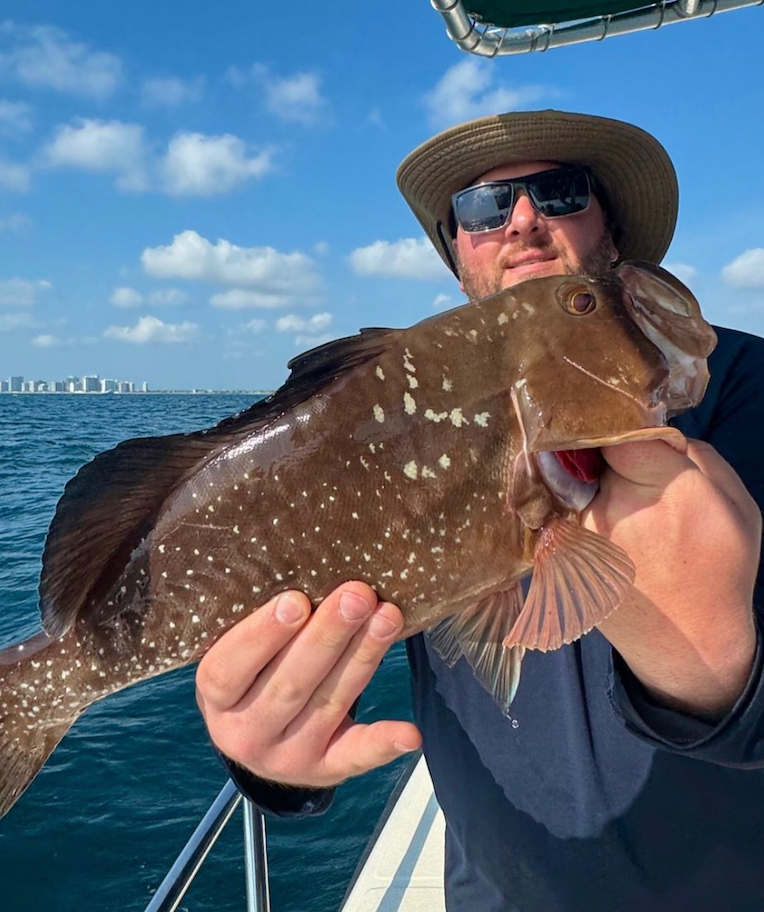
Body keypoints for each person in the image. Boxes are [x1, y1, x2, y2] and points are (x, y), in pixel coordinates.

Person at [195, 110, 764, 910]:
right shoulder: (379, 414)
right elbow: (312, 678)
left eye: (559, 193)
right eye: (482, 209)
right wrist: (269, 761)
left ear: (613, 225)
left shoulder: (747, 382)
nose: (523, 221)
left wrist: (721, 673)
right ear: (456, 254)